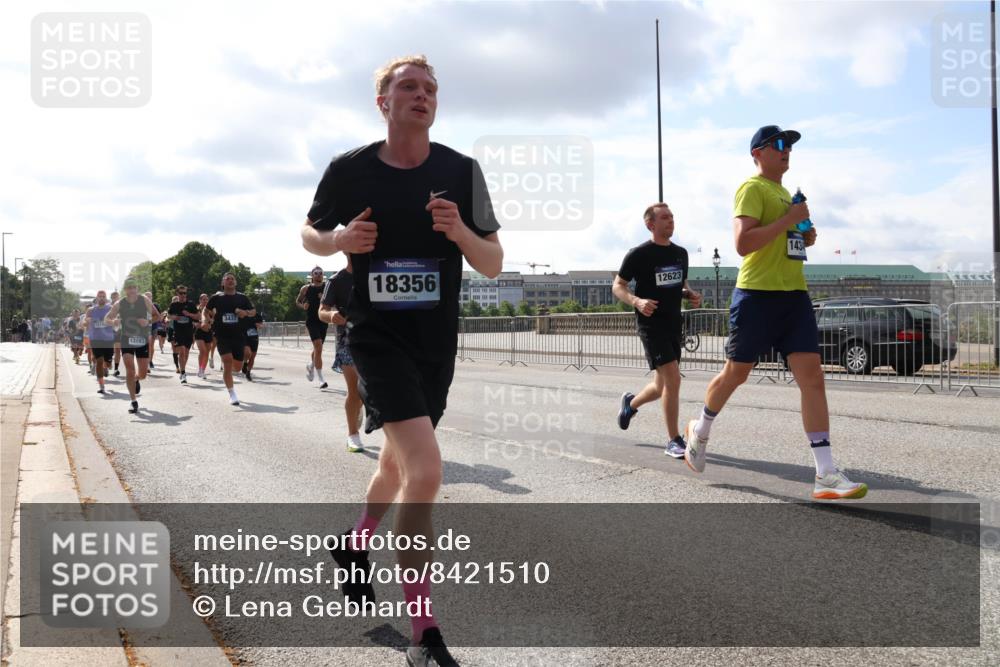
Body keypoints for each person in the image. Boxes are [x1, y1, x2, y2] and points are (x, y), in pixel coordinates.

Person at [301, 55, 502, 667]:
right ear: (383, 102)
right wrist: (337, 241)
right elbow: (309, 232)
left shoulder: (461, 172)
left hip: (435, 344)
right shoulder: (351, 170)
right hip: (376, 335)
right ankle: (425, 630)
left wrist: (460, 234)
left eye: (431, 89)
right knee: (427, 469)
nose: (422, 95)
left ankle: (354, 543)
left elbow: (491, 261)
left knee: (396, 462)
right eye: (408, 87)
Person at [683, 125, 867, 500]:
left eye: (790, 146)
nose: (787, 151)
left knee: (813, 378)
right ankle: (699, 430)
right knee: (737, 374)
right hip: (756, 296)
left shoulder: (785, 193)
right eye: (779, 145)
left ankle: (826, 473)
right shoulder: (752, 188)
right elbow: (742, 243)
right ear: (758, 154)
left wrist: (803, 235)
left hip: (794, 296)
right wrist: (788, 220)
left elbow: (783, 240)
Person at [614, 203, 701, 458]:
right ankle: (674, 440)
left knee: (663, 385)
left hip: (674, 323)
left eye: (672, 216)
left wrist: (690, 294)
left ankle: (630, 404)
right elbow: (618, 286)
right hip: (651, 325)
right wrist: (637, 301)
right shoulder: (639, 254)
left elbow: (677, 286)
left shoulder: (681, 254)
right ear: (650, 224)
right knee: (673, 378)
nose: (670, 221)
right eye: (664, 217)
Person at [319, 258, 364, 452]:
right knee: (354, 390)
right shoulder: (336, 280)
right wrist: (330, 316)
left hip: (378, 339)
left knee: (372, 389)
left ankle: (360, 404)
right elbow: (322, 311)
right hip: (348, 340)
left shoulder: (380, 271)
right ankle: (353, 435)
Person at [106, 279, 158, 414]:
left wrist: (147, 321)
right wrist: (114, 321)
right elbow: (107, 319)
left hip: (142, 338)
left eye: (134, 287)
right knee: (129, 369)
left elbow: (157, 316)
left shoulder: (144, 300)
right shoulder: (120, 303)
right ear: (125, 289)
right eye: (129, 287)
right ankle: (133, 401)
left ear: (137, 288)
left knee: (143, 374)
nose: (131, 290)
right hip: (127, 339)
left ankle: (136, 379)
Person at [204, 273, 255, 406]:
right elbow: (206, 310)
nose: (230, 281)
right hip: (222, 335)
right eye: (227, 279)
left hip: (239, 335)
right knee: (227, 361)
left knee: (237, 368)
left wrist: (246, 313)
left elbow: (253, 311)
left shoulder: (242, 298)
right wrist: (207, 319)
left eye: (232, 279)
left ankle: (234, 372)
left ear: (236, 282)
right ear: (223, 283)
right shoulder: (216, 298)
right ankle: (232, 393)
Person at [297, 266, 329, 388]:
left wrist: (324, 299)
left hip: (323, 320)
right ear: (312, 275)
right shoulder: (306, 289)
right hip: (312, 321)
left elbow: (333, 301)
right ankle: (321, 379)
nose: (318, 274)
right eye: (316, 273)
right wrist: (303, 306)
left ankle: (311, 365)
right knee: (318, 346)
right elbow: (298, 301)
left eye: (321, 273)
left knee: (318, 349)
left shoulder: (327, 287)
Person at [84, 291, 115, 394]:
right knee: (99, 360)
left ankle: (106, 367)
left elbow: (115, 320)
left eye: (103, 297)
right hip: (95, 339)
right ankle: (102, 386)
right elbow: (84, 322)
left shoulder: (110, 308)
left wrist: (112, 321)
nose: (101, 298)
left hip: (109, 339)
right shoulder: (91, 310)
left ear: (106, 298)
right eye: (100, 296)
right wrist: (87, 321)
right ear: (97, 298)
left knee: (108, 363)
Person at [168, 286, 199, 384]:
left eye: (184, 293)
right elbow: (168, 316)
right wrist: (174, 317)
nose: (183, 295)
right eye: (181, 293)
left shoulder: (190, 304)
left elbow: (198, 316)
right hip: (178, 331)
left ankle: (182, 369)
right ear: (177, 294)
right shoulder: (174, 305)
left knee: (186, 353)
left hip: (188, 331)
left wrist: (189, 314)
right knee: (181, 351)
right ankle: (183, 373)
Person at [194, 293, 214, 378]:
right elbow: (192, 320)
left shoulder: (211, 310)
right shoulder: (197, 309)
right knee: (202, 351)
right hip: (199, 332)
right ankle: (200, 369)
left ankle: (202, 370)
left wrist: (211, 321)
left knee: (207, 352)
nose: (205, 301)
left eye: (206, 299)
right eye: (203, 299)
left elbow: (214, 319)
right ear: (200, 300)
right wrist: (196, 324)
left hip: (208, 332)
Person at [241, 310, 263, 381]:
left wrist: (259, 325)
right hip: (245, 337)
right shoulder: (244, 315)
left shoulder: (258, 316)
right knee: (247, 353)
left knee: (252, 357)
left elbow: (261, 326)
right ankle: (244, 362)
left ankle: (248, 372)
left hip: (254, 338)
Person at [109, 291, 123, 376]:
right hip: (109, 331)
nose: (115, 299)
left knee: (117, 350)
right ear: (111, 298)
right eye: (113, 297)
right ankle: (107, 362)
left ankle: (116, 369)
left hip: (119, 330)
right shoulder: (108, 307)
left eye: (117, 297)